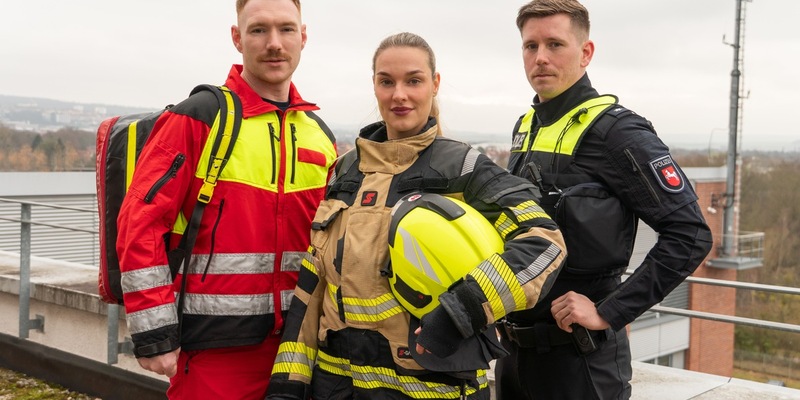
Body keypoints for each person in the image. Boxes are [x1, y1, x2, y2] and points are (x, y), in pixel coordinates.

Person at [266, 32, 567, 400]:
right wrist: (288, 385)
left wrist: (461, 311)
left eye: (413, 80)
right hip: (336, 387)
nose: (399, 95)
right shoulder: (344, 172)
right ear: (374, 85)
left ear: (434, 84)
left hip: (429, 389)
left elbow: (544, 244)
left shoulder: (463, 169)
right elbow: (313, 289)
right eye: (386, 81)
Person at [115, 0, 337, 398]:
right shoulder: (198, 117)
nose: (274, 43)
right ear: (237, 38)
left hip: (300, 350)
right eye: (258, 30)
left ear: (303, 37)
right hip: (214, 353)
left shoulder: (318, 134)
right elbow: (140, 221)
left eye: (286, 29)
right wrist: (155, 332)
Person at [498, 1, 714, 399]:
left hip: (580, 365)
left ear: (585, 53)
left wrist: (609, 311)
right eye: (530, 46)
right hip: (514, 358)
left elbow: (691, 234)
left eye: (554, 44)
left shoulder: (617, 133)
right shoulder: (525, 127)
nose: (540, 58)